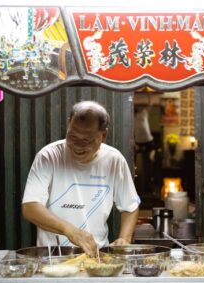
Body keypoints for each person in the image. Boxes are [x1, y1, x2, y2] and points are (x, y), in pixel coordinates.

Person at [22, 101, 140, 257]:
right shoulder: (49, 156)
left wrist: (124, 239)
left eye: (86, 140)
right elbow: (30, 207)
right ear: (68, 124)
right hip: (52, 258)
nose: (77, 145)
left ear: (103, 136)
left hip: (96, 257)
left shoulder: (114, 160)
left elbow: (130, 207)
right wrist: (70, 231)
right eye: (72, 136)